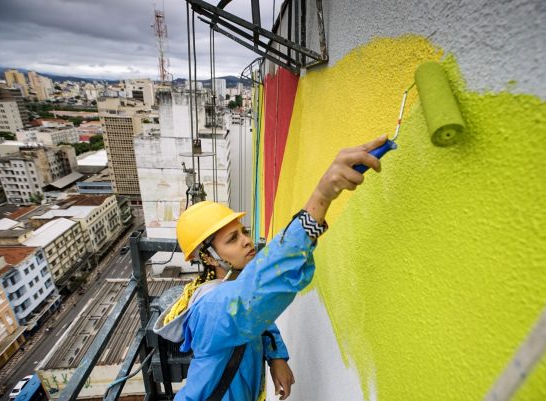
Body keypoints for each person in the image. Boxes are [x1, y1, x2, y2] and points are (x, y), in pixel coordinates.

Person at [155, 135, 387, 401]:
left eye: (242, 232)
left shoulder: (227, 286)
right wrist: (321, 197)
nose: (246, 241)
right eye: (232, 239)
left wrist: (276, 357)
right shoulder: (211, 307)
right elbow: (254, 295)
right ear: (208, 257)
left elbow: (257, 319)